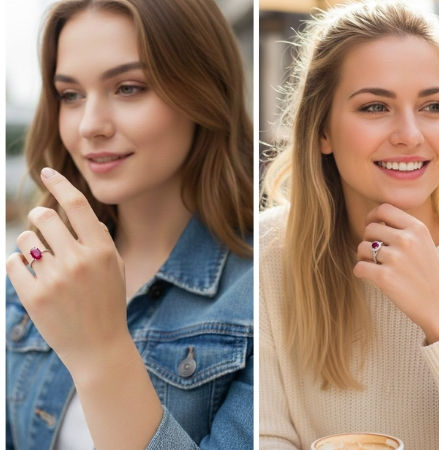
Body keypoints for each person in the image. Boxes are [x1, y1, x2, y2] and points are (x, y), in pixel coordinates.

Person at [259, 2, 439, 448]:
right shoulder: (266, 254)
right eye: (376, 106)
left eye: (433, 106)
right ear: (322, 130)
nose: (410, 135)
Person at [5, 0, 253, 448]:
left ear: (203, 92)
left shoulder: (263, 289)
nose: (90, 126)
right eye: (70, 95)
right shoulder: (39, 267)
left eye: (128, 88)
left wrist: (102, 352)